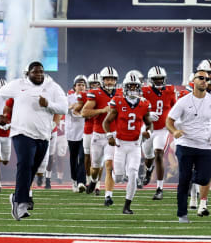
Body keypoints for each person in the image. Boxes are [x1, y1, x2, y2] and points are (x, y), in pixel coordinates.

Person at [0, 62, 67, 221]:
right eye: (35, 72)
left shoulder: (52, 86)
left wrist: (48, 104)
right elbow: (0, 95)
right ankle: (20, 202)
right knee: (25, 164)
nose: (38, 74)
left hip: (43, 135)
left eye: (41, 71)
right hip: (21, 132)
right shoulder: (18, 84)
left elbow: (64, 108)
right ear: (27, 73)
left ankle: (18, 196)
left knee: (32, 169)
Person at [166, 69, 211, 223]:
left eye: (207, 79)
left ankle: (192, 179)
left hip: (204, 144)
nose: (205, 80)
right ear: (194, 81)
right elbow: (169, 120)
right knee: (184, 179)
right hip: (186, 144)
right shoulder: (183, 101)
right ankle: (182, 214)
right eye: (201, 78)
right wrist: (175, 131)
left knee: (205, 177)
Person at [103, 73, 154, 215]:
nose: (132, 89)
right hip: (120, 144)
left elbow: (149, 124)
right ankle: (113, 176)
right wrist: (109, 136)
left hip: (135, 145)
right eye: (130, 87)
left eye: (135, 87)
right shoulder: (118, 101)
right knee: (119, 177)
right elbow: (106, 122)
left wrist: (148, 133)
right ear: (124, 88)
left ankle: (127, 206)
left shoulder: (144, 103)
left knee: (133, 174)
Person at [82, 66, 122, 205]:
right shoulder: (95, 93)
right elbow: (84, 112)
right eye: (107, 79)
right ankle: (93, 181)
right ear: (102, 80)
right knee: (95, 168)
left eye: (112, 79)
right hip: (98, 135)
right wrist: (102, 110)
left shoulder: (121, 93)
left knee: (109, 165)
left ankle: (108, 196)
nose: (110, 82)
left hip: (113, 134)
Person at [140, 67, 176, 199]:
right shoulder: (144, 91)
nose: (160, 81)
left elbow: (175, 108)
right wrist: (147, 114)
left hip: (162, 129)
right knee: (149, 158)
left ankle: (159, 189)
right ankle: (149, 171)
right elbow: (137, 108)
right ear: (150, 80)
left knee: (158, 154)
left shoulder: (170, 91)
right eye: (156, 79)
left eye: (161, 78)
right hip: (148, 128)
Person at [66, 75, 88, 193]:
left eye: (83, 85)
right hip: (72, 132)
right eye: (79, 85)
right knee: (73, 158)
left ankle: (81, 182)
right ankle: (74, 179)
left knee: (83, 157)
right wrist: (71, 107)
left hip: (84, 132)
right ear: (74, 87)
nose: (81, 87)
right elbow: (63, 109)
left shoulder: (89, 98)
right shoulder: (69, 97)